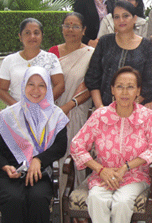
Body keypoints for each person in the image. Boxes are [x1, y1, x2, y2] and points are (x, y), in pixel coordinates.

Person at [71, 67, 152, 223]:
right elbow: (77, 145)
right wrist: (100, 169)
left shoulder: (146, 116)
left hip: (135, 175)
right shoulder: (100, 115)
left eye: (130, 87)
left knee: (122, 202)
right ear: (112, 90)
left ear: (138, 91)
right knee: (96, 198)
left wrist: (125, 168)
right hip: (103, 174)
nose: (125, 92)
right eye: (120, 86)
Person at [0, 67, 69, 223]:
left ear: (48, 89)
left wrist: (38, 160)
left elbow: (60, 146)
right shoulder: (7, 116)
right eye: (31, 84)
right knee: (13, 199)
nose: (35, 90)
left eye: (42, 85)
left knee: (38, 199)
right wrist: (5, 166)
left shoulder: (56, 115)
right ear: (23, 86)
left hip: (40, 172)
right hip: (10, 173)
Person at [48, 12, 94, 189]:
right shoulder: (52, 53)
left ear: (84, 30)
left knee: (77, 157)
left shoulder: (91, 54)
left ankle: (76, 205)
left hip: (78, 112)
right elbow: (47, 84)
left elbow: (90, 85)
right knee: (56, 159)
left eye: (76, 26)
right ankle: (58, 204)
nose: (70, 30)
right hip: (53, 113)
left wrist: (68, 106)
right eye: (67, 25)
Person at [85, 0, 152, 109]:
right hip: (104, 108)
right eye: (116, 17)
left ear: (135, 18)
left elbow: (150, 83)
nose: (121, 20)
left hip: (135, 109)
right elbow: (93, 77)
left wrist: (127, 107)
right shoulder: (105, 42)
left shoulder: (146, 45)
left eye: (126, 16)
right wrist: (100, 107)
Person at [0, 18, 65, 105]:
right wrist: (19, 108)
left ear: (42, 36)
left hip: (43, 112)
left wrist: (42, 104)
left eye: (36, 33)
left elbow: (60, 85)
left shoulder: (50, 58)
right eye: (27, 33)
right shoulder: (9, 60)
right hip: (16, 113)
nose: (32, 36)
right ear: (20, 36)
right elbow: (2, 89)